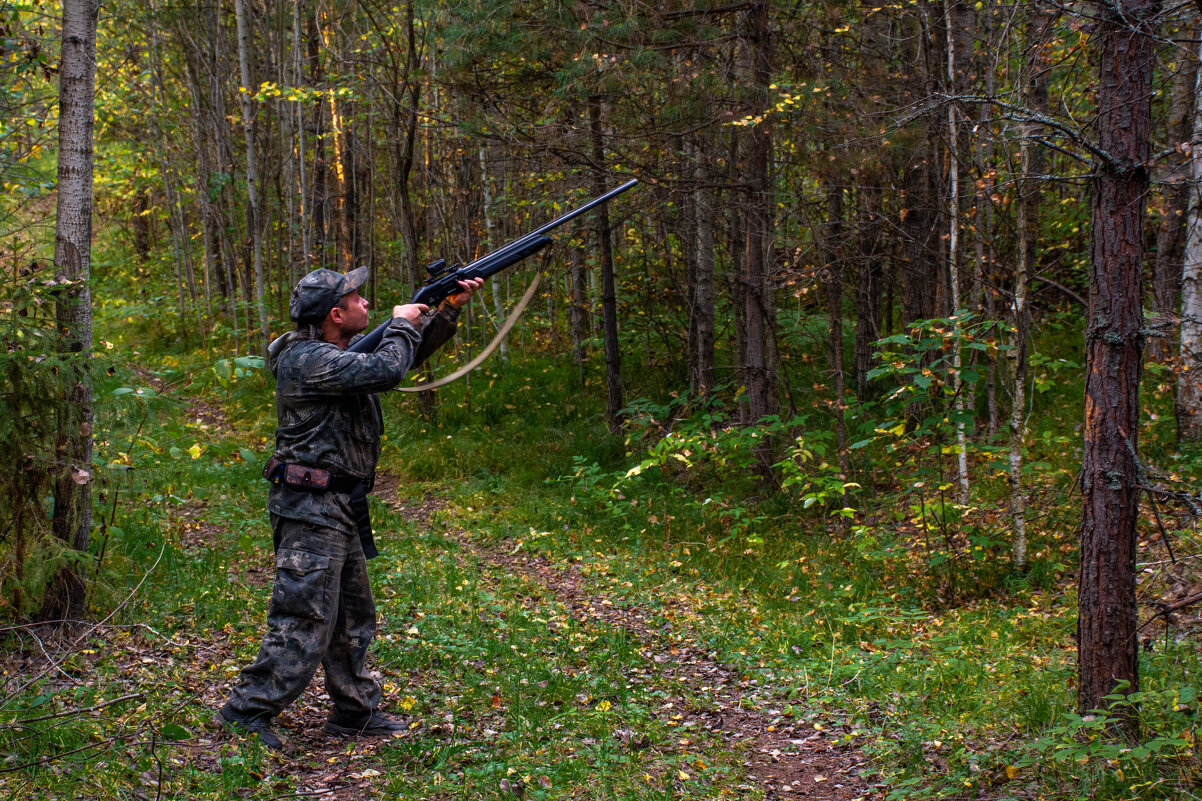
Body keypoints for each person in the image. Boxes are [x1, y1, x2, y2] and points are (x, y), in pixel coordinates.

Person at [215, 266, 482, 750]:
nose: (366, 304)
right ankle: (246, 710)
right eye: (356, 299)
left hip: (337, 504)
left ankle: (353, 711)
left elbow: (398, 358)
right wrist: (403, 320)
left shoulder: (334, 354)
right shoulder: (308, 360)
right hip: (311, 507)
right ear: (335, 315)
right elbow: (385, 368)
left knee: (352, 616)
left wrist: (443, 313)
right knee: (305, 615)